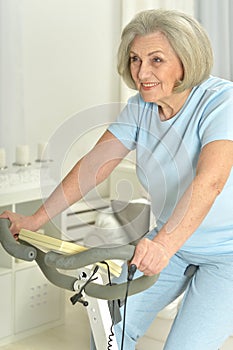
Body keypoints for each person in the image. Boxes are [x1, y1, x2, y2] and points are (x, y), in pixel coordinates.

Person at [1, 8, 233, 350]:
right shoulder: (140, 106)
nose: (142, 72)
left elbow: (210, 182)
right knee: (108, 332)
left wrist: (164, 246)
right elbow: (94, 165)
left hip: (226, 252)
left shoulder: (221, 101)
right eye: (135, 59)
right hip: (172, 241)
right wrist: (34, 220)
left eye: (156, 60)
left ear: (186, 60)